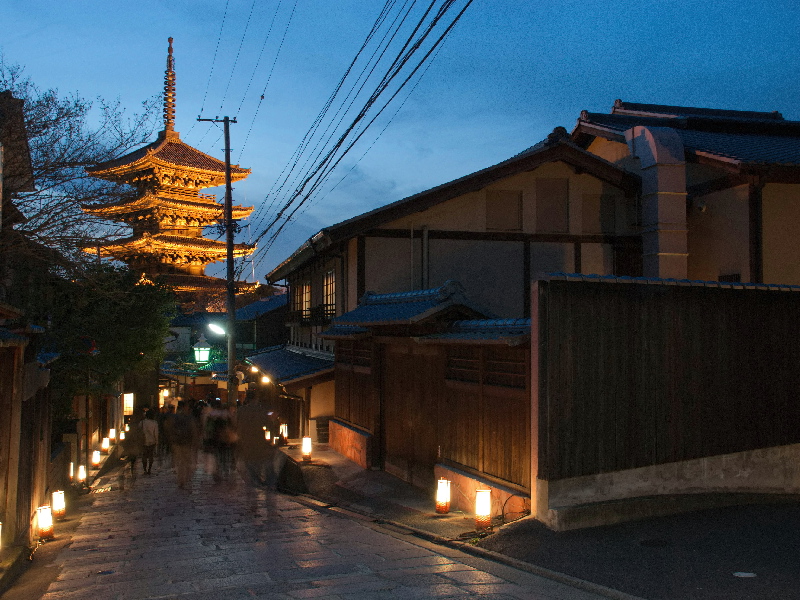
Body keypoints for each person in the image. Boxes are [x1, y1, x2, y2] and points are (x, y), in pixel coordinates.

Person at [236, 399, 283, 491]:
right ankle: (269, 484)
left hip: (247, 441)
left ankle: (258, 482)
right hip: (259, 440)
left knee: (251, 462)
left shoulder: (241, 411)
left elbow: (238, 425)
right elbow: (268, 424)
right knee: (266, 462)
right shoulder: (261, 411)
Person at [169, 400, 199, 489]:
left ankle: (181, 479)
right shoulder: (189, 418)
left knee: (180, 461)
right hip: (186, 442)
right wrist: (195, 442)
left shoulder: (175, 417)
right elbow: (193, 430)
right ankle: (184, 478)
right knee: (186, 461)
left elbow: (171, 429)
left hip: (177, 442)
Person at [122, 408, 145, 480]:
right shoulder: (138, 425)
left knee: (132, 458)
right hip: (134, 444)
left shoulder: (132, 425)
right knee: (133, 458)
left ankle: (132, 471)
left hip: (132, 443)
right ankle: (133, 471)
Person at [140, 409, 159, 475]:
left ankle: (144, 469)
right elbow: (156, 433)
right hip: (152, 441)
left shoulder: (142, 422)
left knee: (144, 455)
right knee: (151, 455)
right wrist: (157, 441)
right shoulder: (154, 423)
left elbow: (139, 431)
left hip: (143, 441)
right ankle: (149, 469)